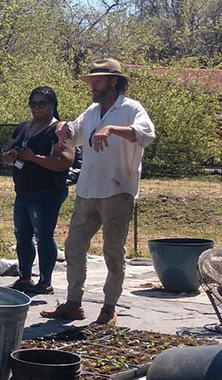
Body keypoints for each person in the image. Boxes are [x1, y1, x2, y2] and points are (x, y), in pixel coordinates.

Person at [41, 59, 156, 325]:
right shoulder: (92, 111)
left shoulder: (131, 108)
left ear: (114, 81)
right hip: (87, 190)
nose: (93, 85)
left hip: (117, 190)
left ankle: (109, 308)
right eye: (92, 80)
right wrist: (64, 129)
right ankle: (73, 304)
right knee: (73, 247)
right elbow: (74, 135)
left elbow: (147, 135)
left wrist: (112, 129)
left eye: (98, 80)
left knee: (113, 252)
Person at [1, 86, 74, 296]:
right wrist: (12, 155)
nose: (37, 108)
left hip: (47, 191)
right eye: (33, 103)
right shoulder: (24, 127)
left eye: (42, 103)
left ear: (53, 105)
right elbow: (6, 154)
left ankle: (45, 282)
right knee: (22, 236)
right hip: (23, 190)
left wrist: (33, 158)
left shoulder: (60, 130)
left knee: (43, 235)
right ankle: (24, 278)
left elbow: (65, 161)